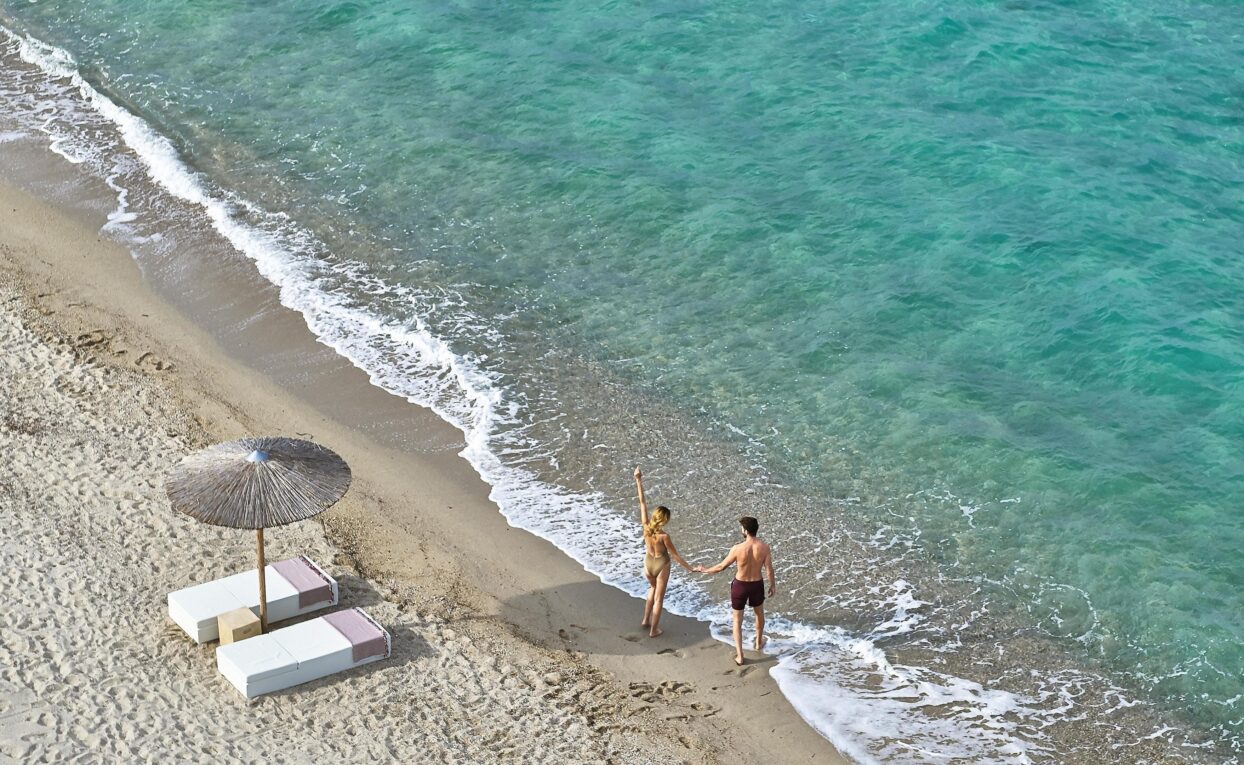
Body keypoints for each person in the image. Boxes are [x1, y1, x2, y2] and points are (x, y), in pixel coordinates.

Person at [696, 516, 776, 665]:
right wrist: (772, 585)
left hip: (740, 585)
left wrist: (705, 570)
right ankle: (758, 642)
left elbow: (721, 567)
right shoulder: (764, 547)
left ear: (745, 530)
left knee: (737, 620)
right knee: (759, 614)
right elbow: (769, 570)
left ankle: (740, 655)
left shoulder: (737, 548)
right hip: (756, 585)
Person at [634, 467, 695, 638]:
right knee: (659, 599)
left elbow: (642, 503)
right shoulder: (664, 536)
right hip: (661, 565)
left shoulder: (646, 527)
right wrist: (690, 568)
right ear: (665, 520)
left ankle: (645, 620)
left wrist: (638, 479)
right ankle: (654, 630)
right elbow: (675, 556)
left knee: (652, 588)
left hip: (648, 564)